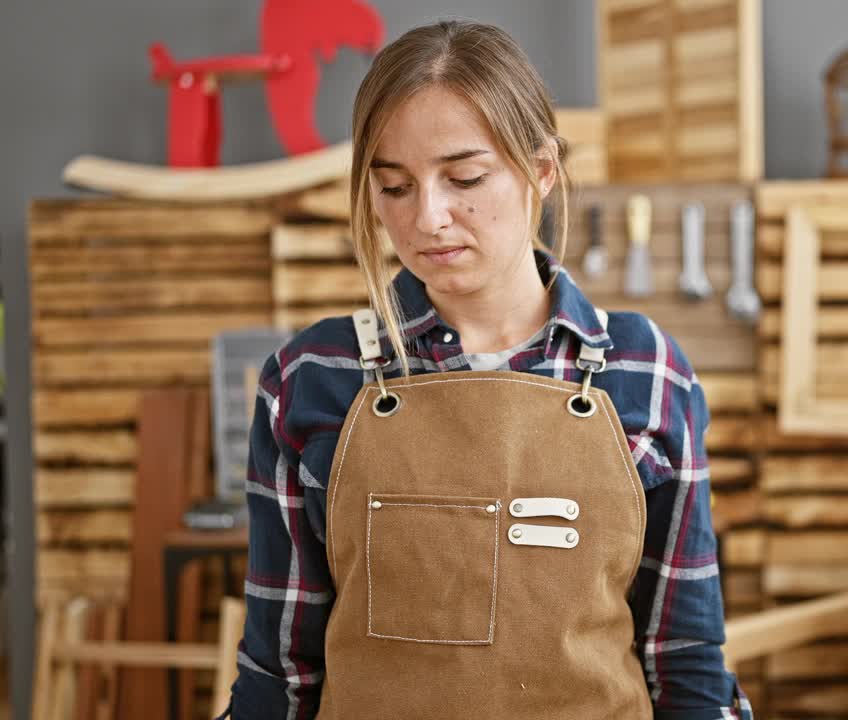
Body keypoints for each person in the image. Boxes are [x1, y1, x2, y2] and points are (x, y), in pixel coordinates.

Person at [222, 19, 753, 720]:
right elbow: (280, 670)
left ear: (540, 171)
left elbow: (684, 658)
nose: (429, 218)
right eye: (395, 187)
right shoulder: (312, 375)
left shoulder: (648, 371)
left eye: (464, 177)